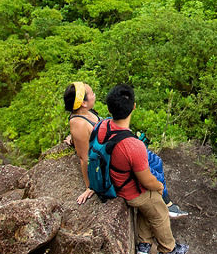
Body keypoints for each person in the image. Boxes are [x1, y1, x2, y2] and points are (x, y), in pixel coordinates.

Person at [63, 81, 190, 217]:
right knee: (152, 175)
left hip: (118, 145)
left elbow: (87, 132)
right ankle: (165, 205)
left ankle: (167, 202)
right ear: (83, 103)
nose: (94, 95)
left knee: (157, 161)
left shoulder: (87, 112)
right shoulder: (78, 123)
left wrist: (73, 138)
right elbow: (84, 158)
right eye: (92, 94)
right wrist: (91, 186)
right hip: (113, 157)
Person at [95, 83, 189, 254]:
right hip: (127, 190)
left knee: (151, 202)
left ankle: (143, 243)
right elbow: (146, 181)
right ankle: (168, 249)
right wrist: (160, 186)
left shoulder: (103, 126)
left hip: (111, 178)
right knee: (159, 208)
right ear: (134, 107)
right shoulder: (133, 145)